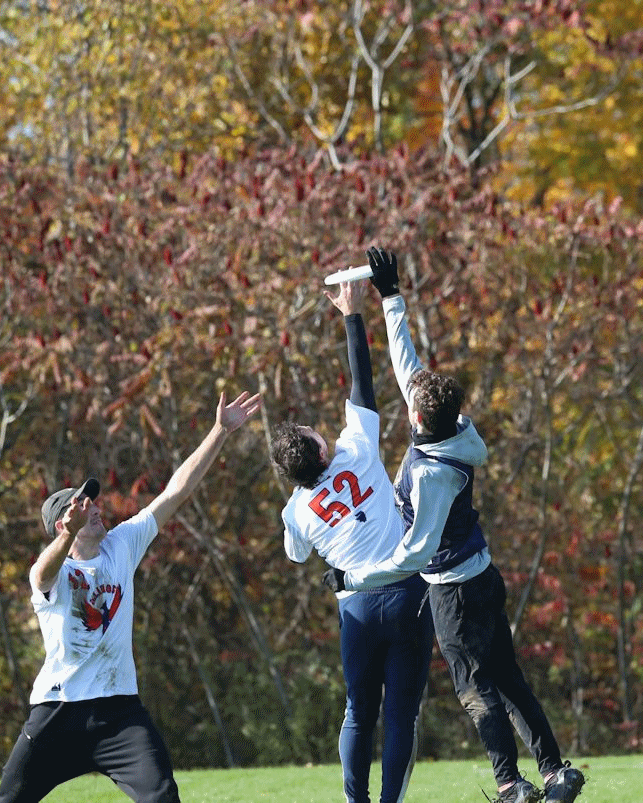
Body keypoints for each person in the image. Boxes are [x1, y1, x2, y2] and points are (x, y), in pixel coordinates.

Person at [325, 247, 586, 803]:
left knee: (475, 688)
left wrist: (353, 579)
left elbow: (415, 555)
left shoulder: (431, 476)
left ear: (417, 417)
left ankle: (510, 783)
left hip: (455, 592)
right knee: (508, 675)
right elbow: (408, 367)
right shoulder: (454, 428)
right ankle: (555, 771)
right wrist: (391, 297)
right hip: (483, 575)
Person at [0, 388, 263, 803]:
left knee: (162, 797)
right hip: (58, 711)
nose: (94, 507)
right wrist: (66, 538)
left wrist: (219, 432)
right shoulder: (56, 573)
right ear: (63, 525)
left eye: (92, 501)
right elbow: (41, 574)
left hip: (119, 711)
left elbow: (175, 492)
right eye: (82, 507)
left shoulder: (121, 545)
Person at [270, 278, 434, 803]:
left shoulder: (296, 510)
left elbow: (296, 555)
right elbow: (362, 382)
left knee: (358, 712)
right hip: (406, 591)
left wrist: (303, 510)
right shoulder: (356, 447)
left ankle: (355, 802)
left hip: (356, 610)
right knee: (401, 713)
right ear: (321, 452)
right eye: (316, 434)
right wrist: (351, 314)